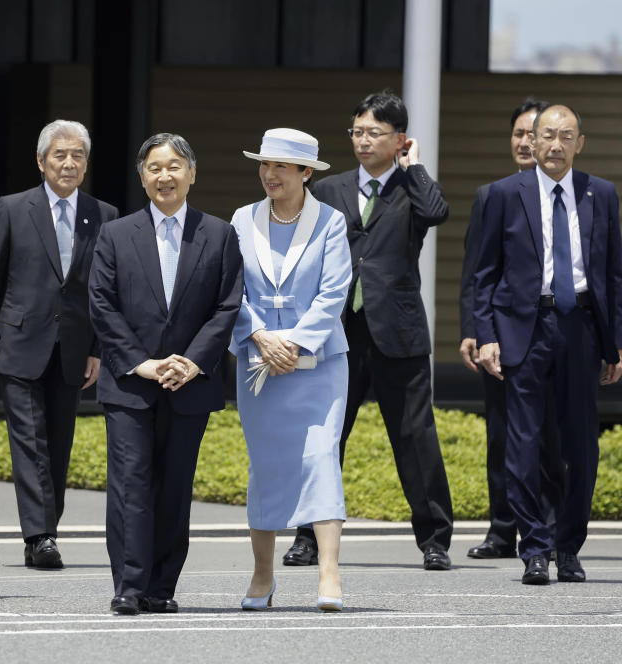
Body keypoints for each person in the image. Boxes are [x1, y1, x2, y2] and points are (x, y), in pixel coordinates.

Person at [283, 91, 454, 571]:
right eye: (357, 131)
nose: (362, 141)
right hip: (336, 330)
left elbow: (437, 212)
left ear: (399, 139)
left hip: (396, 330)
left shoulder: (412, 190)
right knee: (324, 435)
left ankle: (435, 540)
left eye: (374, 133)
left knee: (415, 437)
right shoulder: (331, 189)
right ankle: (306, 537)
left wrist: (413, 167)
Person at [89, 133, 243, 615]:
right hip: (131, 383)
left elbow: (227, 305)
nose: (165, 176)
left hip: (189, 383)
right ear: (142, 177)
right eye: (154, 167)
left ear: (192, 174)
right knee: (130, 485)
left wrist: (192, 362)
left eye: (175, 166)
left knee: (175, 487)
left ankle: (162, 586)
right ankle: (129, 586)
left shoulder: (218, 234)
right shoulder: (116, 233)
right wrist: (144, 363)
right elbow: (101, 303)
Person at [475, 104, 622, 585]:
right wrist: (487, 336)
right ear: (531, 142)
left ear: (579, 144)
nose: (555, 145)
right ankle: (534, 546)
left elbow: (613, 275)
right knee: (522, 443)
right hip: (524, 328)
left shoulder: (601, 194)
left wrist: (614, 343)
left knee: (581, 445)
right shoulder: (503, 194)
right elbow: (484, 275)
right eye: (547, 135)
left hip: (580, 326)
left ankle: (569, 548)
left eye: (566, 136)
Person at [0, 120, 118, 569]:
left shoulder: (105, 214)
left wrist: (97, 348)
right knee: (29, 441)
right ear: (41, 161)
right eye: (60, 155)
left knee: (59, 445)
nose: (69, 163)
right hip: (18, 344)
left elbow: (104, 290)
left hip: (74, 348)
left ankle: (45, 530)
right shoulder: (14, 208)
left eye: (77, 155)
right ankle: (40, 535)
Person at [231, 129, 350, 612]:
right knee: (266, 466)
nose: (270, 174)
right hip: (258, 361)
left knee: (321, 457)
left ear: (306, 173)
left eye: (282, 166)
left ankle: (329, 571)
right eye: (265, 164)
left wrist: (295, 341)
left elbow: (334, 291)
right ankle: (262, 573)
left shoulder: (331, 222)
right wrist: (261, 336)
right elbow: (229, 289)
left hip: (319, 364)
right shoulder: (242, 219)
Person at [459, 98, 564, 560]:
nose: (525, 141)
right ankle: (503, 530)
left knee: (551, 435)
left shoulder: (568, 195)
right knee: (501, 435)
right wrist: (475, 331)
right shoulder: (494, 195)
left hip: (553, 336)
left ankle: (552, 527)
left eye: (533, 133)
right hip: (500, 337)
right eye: (519, 133)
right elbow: (475, 271)